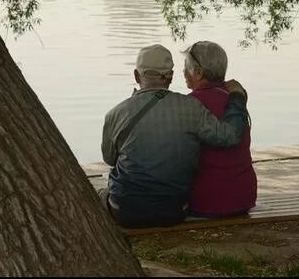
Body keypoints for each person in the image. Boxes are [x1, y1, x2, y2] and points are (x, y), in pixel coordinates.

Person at [100, 44, 250, 228]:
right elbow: (230, 136)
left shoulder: (115, 114)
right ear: (171, 77)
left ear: (136, 76)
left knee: (103, 190)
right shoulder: (191, 107)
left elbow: (109, 159)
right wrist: (237, 97)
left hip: (125, 212)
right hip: (173, 211)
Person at [183, 41, 257, 217]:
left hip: (206, 201)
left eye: (186, 67)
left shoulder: (189, 104)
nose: (183, 72)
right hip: (243, 198)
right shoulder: (235, 101)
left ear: (198, 72)